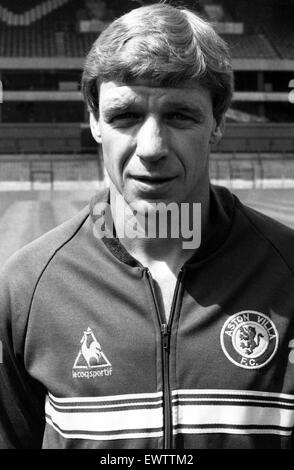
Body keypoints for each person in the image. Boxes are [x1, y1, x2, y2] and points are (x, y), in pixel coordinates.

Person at [0, 2, 294, 450]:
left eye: (179, 115)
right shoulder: (25, 289)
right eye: (126, 116)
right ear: (95, 121)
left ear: (217, 121)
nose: (152, 147)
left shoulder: (289, 272)